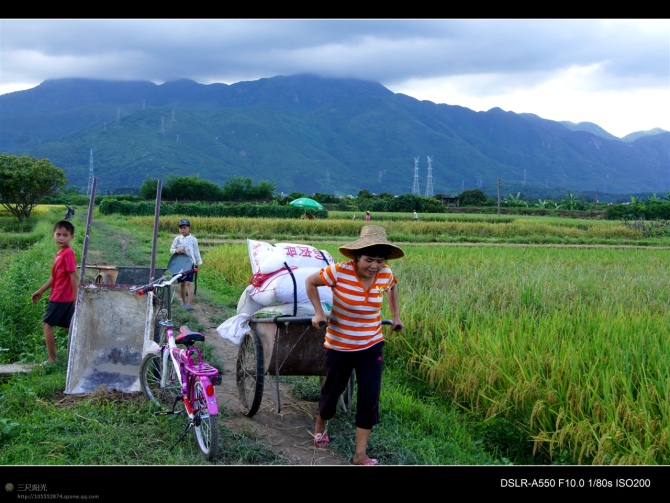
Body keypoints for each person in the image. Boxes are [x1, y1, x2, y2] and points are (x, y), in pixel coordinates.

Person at [305, 225, 404, 466]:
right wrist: (318, 312)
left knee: (369, 396)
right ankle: (320, 424)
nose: (374, 266)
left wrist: (396, 316)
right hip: (340, 346)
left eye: (380, 261)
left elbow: (391, 287)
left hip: (371, 344)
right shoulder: (339, 272)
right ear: (357, 257)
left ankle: (360, 455)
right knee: (333, 391)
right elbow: (310, 282)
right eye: (369, 260)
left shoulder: (385, 274)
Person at [31, 221, 79, 364]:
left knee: (47, 325)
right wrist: (41, 291)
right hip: (62, 296)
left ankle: (52, 359)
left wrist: (75, 298)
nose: (61, 238)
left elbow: (73, 276)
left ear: (71, 237)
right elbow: (55, 276)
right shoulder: (60, 253)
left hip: (61, 297)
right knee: (68, 327)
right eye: (59, 234)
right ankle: (83, 352)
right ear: (53, 235)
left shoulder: (67, 253)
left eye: (65, 235)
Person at [170, 219, 203, 311]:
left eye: (184, 228)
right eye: (181, 228)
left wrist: (197, 264)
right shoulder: (177, 239)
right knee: (181, 284)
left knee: (189, 283)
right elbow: (171, 250)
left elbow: (196, 252)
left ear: (189, 228)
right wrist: (176, 250)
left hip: (190, 263)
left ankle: (189, 304)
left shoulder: (193, 239)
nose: (182, 230)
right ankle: (183, 302)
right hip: (179, 264)